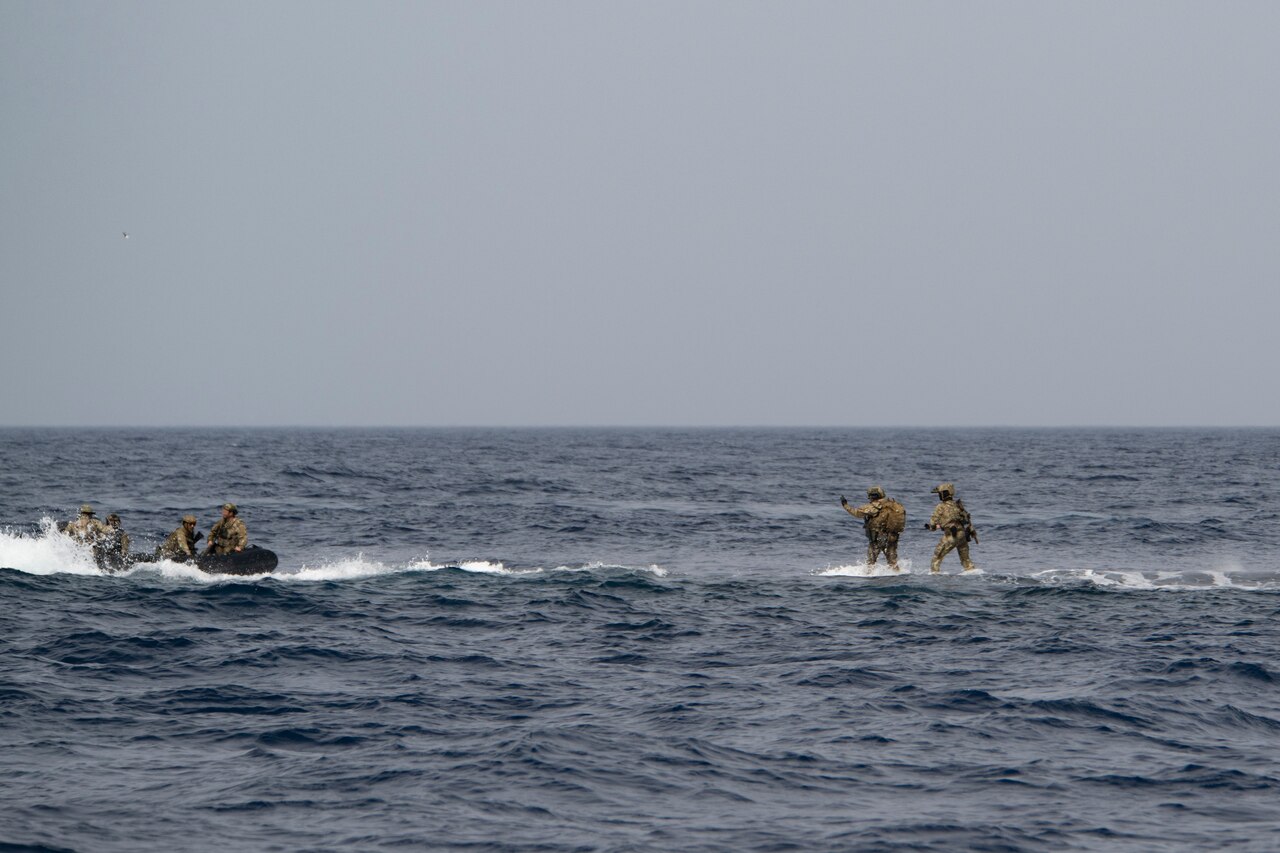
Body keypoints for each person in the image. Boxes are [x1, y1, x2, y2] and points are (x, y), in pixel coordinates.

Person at [841, 486, 906, 570]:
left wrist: (845, 505)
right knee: (892, 561)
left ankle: (869, 576)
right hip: (892, 537)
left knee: (871, 562)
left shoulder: (873, 507)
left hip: (878, 538)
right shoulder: (894, 505)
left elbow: (856, 513)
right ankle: (897, 575)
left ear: (872, 496)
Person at [925, 483, 977, 573]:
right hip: (963, 535)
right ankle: (973, 574)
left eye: (940, 493)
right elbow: (965, 519)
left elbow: (933, 523)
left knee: (936, 559)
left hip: (951, 536)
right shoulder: (957, 505)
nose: (939, 495)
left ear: (944, 494)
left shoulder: (940, 506)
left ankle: (935, 577)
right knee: (966, 561)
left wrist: (931, 527)